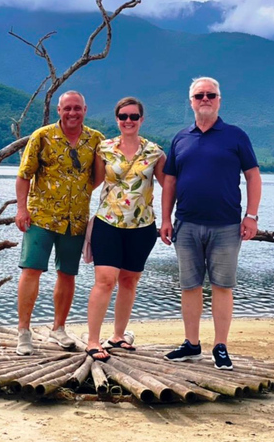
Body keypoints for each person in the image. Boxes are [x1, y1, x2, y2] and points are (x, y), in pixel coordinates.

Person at [159, 77, 262, 370]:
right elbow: (170, 181)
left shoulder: (236, 136)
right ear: (191, 101)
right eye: (199, 95)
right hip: (186, 224)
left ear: (219, 100)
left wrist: (251, 216)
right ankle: (192, 344)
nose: (205, 99)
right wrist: (165, 218)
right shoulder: (181, 138)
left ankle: (220, 347)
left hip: (227, 225)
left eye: (210, 95)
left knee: (222, 286)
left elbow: (253, 176)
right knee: (189, 286)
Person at [15, 90, 105, 356]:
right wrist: (22, 209)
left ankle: (59, 328)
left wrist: (79, 193)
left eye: (77, 108)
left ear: (85, 110)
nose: (72, 113)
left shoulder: (95, 140)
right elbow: (24, 176)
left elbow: (97, 177)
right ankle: (23, 331)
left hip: (75, 220)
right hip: (41, 217)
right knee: (31, 270)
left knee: (67, 273)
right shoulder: (41, 137)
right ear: (59, 110)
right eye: (67, 108)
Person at [85, 97, 166, 362]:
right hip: (108, 223)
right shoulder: (104, 149)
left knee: (129, 281)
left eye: (133, 116)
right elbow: (93, 183)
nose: (128, 121)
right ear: (117, 119)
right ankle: (93, 341)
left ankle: (118, 336)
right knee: (105, 280)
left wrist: (170, 218)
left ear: (142, 119)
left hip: (142, 226)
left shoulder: (155, 152)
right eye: (123, 116)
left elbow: (170, 186)